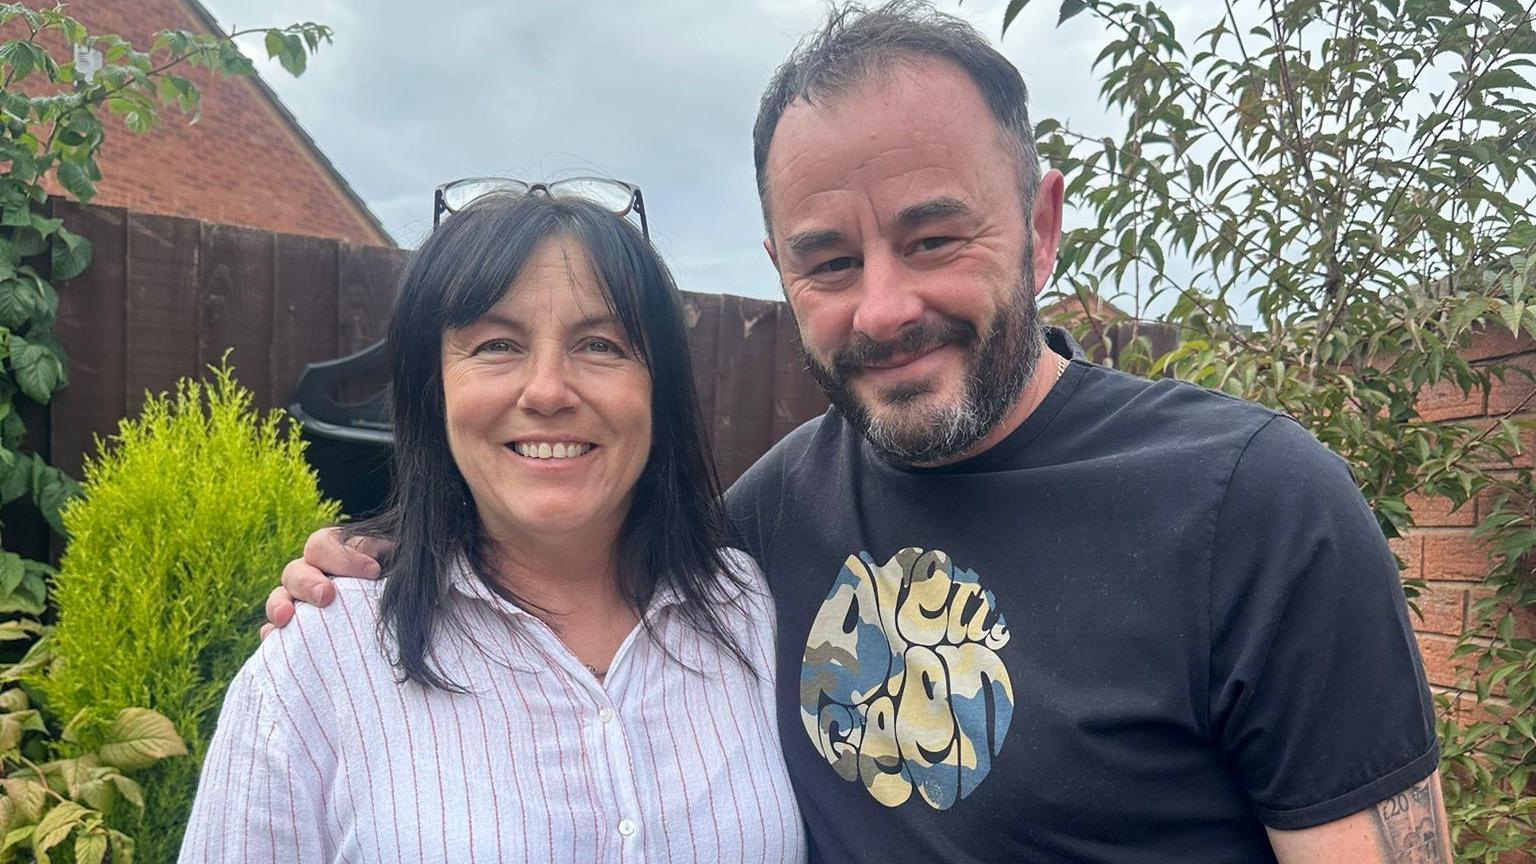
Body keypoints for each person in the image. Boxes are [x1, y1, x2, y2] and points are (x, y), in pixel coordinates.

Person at [268, 3, 1450, 862]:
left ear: (1040, 228)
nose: (882, 307)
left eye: (935, 238)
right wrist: (382, 557)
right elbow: (579, 564)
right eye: (830, 260)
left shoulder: (1254, 507)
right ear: (781, 270)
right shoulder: (770, 523)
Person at [182, 189, 806, 862]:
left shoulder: (749, 608)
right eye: (496, 344)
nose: (546, 390)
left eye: (599, 344)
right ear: (435, 388)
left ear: (659, 390)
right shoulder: (324, 656)